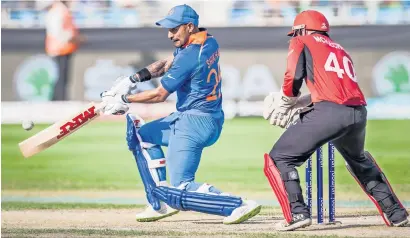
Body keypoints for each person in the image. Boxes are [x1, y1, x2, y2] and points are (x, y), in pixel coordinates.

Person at [100, 4, 261, 224]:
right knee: (140, 137)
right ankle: (159, 204)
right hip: (197, 117)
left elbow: (159, 95)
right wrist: (131, 80)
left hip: (195, 122)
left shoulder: (190, 55)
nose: (169, 35)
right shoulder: (206, 40)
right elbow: (165, 65)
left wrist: (124, 99)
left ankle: (237, 204)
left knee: (180, 187)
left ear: (190, 26)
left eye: (174, 29)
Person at [262, 10, 409, 231]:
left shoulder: (302, 41)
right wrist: (303, 102)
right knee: (359, 161)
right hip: (357, 112)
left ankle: (297, 213)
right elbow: (337, 86)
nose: (294, 36)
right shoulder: (340, 49)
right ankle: (396, 213)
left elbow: (293, 74)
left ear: (302, 29)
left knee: (279, 158)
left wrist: (287, 98)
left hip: (330, 112)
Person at [43, 0, 85, 100]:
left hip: (64, 48)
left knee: (63, 76)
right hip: (59, 48)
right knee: (60, 77)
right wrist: (72, 38)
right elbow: (57, 31)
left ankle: (59, 98)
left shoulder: (61, 10)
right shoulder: (57, 11)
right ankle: (58, 99)